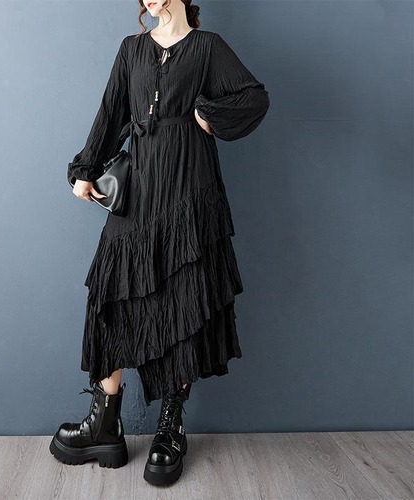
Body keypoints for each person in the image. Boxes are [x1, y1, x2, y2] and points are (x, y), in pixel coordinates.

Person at [50, 0, 270, 486]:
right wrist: (86, 167)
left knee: (181, 301)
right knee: (109, 294)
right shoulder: (131, 49)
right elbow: (112, 112)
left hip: (190, 188)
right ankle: (105, 424)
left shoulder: (208, 47)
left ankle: (171, 427)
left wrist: (208, 115)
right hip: (141, 187)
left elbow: (254, 98)